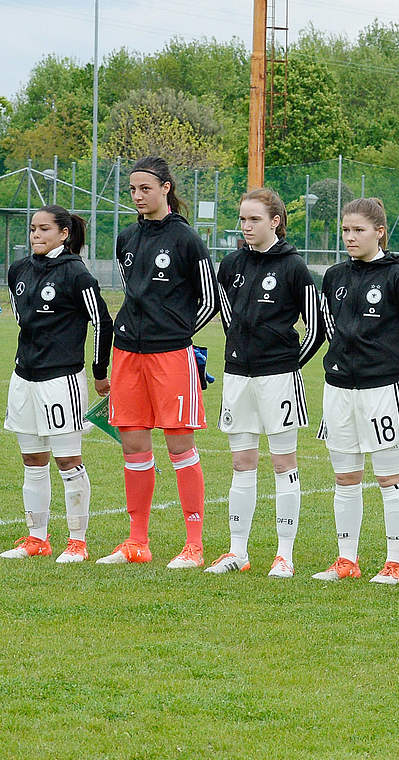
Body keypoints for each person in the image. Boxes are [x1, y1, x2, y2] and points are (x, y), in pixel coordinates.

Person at [97, 157, 219, 568]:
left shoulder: (186, 239)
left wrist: (176, 334)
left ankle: (194, 544)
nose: (137, 196)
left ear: (166, 188)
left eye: (145, 188)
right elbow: (133, 293)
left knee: (179, 445)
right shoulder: (126, 237)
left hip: (171, 356)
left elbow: (211, 300)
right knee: (132, 444)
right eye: (131, 190)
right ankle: (137, 541)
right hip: (127, 353)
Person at [312, 198, 399, 584]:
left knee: (389, 477)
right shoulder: (334, 276)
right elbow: (329, 324)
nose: (350, 237)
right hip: (339, 389)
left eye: (358, 230)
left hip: (383, 391)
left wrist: (388, 368)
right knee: (345, 477)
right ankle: (347, 559)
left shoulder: (398, 278)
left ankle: (394, 563)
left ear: (379, 232)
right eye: (346, 230)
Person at [208, 188, 323, 578]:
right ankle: (237, 551)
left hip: (278, 379)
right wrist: (240, 351)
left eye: (254, 219)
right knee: (241, 463)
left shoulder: (294, 268)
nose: (246, 226)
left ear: (275, 221)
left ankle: (284, 554)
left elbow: (316, 327)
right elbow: (225, 315)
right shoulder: (231, 264)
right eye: (242, 219)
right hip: (237, 376)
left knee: (282, 463)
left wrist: (287, 366)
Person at [2, 206, 111, 563]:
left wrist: (98, 372)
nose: (35, 234)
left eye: (44, 229)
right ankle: (37, 539)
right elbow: (22, 319)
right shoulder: (17, 270)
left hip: (61, 379)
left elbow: (102, 323)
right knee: (32, 460)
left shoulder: (76, 274)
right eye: (33, 228)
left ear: (64, 234)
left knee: (68, 461)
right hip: (23, 378)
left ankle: (77, 542)